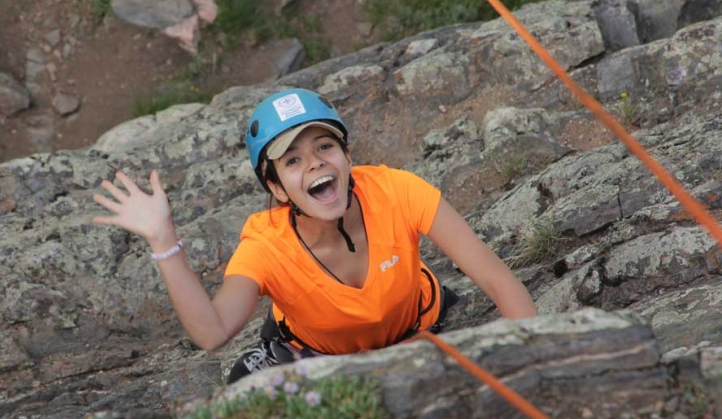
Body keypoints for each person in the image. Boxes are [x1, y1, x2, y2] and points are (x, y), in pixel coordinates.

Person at [92, 88, 537, 384]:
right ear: (277, 188)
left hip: (419, 324)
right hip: (319, 357)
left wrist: (540, 363)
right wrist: (162, 240)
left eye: (325, 147)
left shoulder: (398, 191)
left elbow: (498, 281)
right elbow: (211, 333)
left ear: (347, 155)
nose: (316, 165)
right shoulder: (266, 246)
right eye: (293, 160)